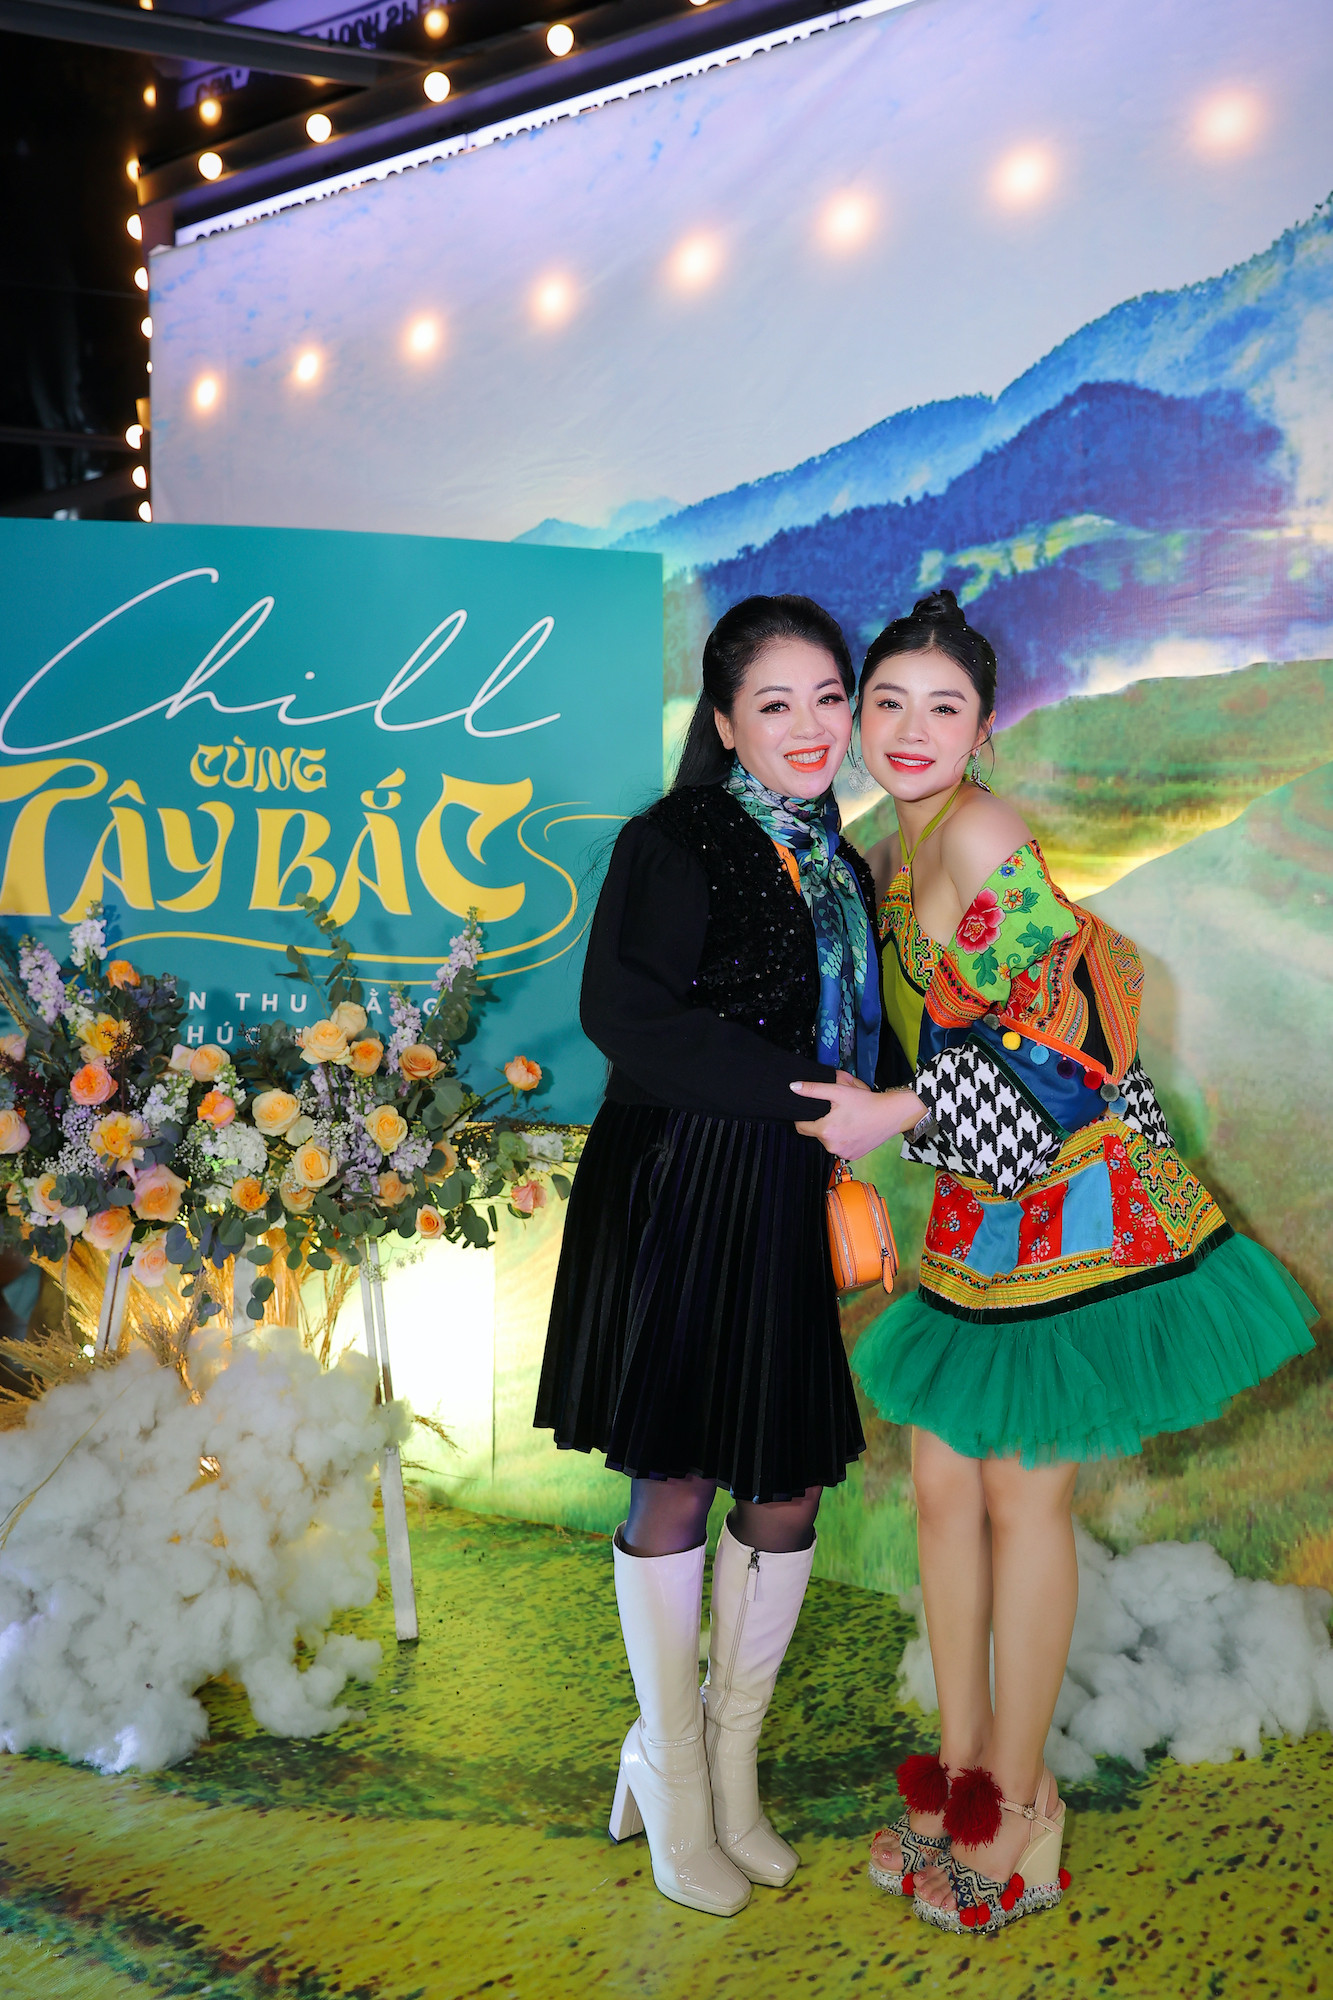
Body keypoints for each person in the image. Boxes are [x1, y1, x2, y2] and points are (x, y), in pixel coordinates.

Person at [790, 589, 1316, 1938]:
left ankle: (1020, 1812)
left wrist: (892, 1112)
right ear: (857, 716)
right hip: (983, 1204)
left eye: (944, 706)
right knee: (941, 1492)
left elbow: (1068, 1042)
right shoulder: (893, 845)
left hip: (1071, 1198)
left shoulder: (979, 832)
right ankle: (959, 1778)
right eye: (889, 702)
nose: (911, 729)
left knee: (1020, 1499)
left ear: (983, 728)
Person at [535, 594, 900, 1917]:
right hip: (682, 1181)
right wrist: (820, 1100)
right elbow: (624, 1016)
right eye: (773, 703)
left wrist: (916, 1092)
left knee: (786, 1488)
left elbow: (865, 1041)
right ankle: (673, 1772)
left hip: (782, 1194)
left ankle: (729, 1770)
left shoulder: (842, 866)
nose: (808, 727)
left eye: (826, 698)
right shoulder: (676, 836)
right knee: (680, 1479)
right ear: (727, 723)